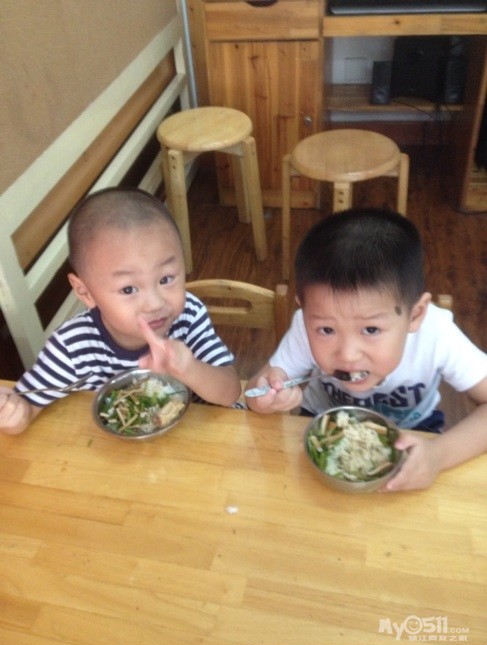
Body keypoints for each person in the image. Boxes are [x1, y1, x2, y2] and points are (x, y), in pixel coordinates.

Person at [246, 207, 487, 491]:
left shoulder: (436, 334)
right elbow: (256, 390)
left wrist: (438, 455)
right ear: (305, 309)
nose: (348, 355)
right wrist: (264, 398)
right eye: (327, 330)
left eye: (371, 330)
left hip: (415, 436)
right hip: (321, 431)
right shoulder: (305, 326)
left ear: (415, 314)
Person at [0, 187, 241, 435]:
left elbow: (231, 391)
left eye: (165, 279)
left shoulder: (188, 316)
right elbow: (27, 404)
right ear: (85, 292)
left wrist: (189, 368)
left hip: (201, 437)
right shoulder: (72, 347)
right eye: (128, 289)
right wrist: (14, 414)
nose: (155, 304)